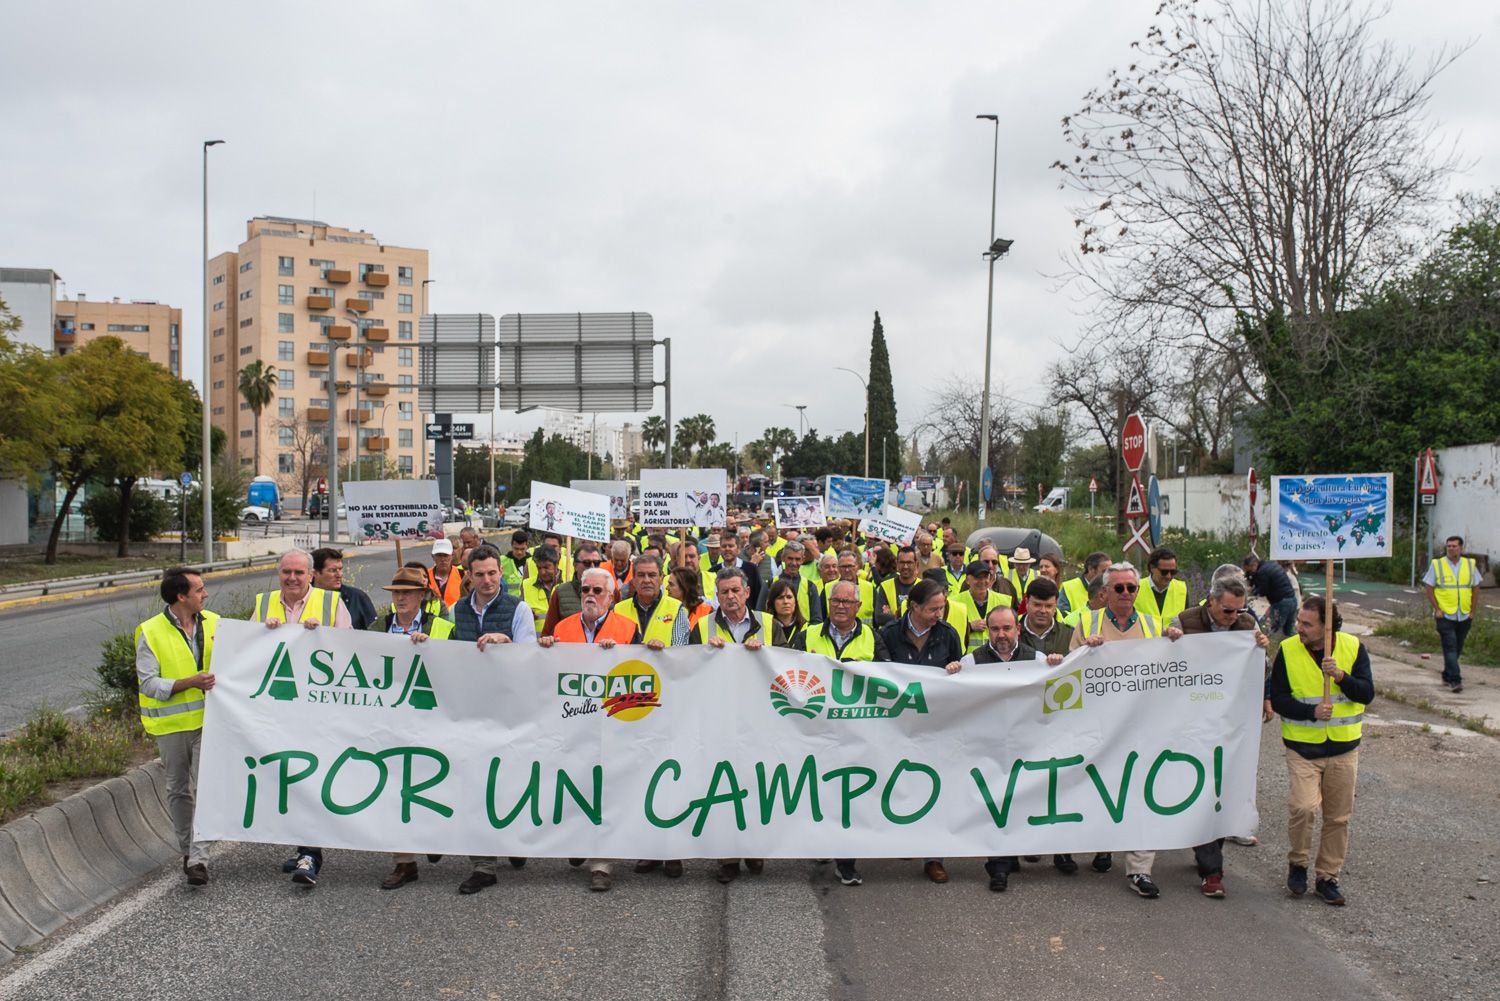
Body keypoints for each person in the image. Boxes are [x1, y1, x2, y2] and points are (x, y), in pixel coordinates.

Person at [1071, 561, 1183, 894]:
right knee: (1103, 790)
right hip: (1099, 727)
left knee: (1141, 793)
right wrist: (1084, 652)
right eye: (1118, 588)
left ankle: (1139, 869)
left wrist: (1175, 641)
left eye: (1131, 588)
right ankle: (1104, 842)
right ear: (1104, 591)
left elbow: (1170, 669)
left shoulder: (1152, 625)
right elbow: (1069, 672)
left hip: (1140, 727)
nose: (1125, 594)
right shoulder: (1087, 622)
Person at [251, 550, 351, 887]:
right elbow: (246, 652)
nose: (291, 578)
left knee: (311, 776)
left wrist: (324, 636)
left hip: (317, 713)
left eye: (298, 572)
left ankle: (312, 854)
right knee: (290, 778)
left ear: (311, 575)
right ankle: (302, 845)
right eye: (285, 572)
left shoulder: (330, 604)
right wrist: (262, 633)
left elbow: (351, 653)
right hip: (279, 713)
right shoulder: (264, 604)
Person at [1168, 572, 1270, 898]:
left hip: (1228, 725)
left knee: (1222, 790)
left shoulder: (1245, 627)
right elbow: (1162, 665)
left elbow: (1257, 670)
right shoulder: (1184, 621)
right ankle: (1210, 865)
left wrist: (1261, 652)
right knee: (1198, 789)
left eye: (1239, 611)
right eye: (1228, 610)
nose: (1233, 617)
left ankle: (1209, 860)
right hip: (1190, 723)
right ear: (1211, 601)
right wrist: (1168, 640)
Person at [1268, 596, 1374, 906]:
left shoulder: (1353, 648)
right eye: (1299, 621)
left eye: (1306, 624)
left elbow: (1367, 693)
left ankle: (1328, 876)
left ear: (1327, 628)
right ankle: (1298, 863)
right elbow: (1280, 698)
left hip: (1343, 749)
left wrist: (1341, 676)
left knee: (1338, 818)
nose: (1298, 627)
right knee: (1303, 808)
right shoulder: (1288, 650)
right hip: (1302, 748)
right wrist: (1312, 711)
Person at [539, 567, 640, 891]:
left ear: (612, 597)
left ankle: (602, 864)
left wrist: (627, 654)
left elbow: (640, 673)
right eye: (586, 590)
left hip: (613, 725)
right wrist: (544, 648)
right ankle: (579, 843)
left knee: (606, 791)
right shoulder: (563, 627)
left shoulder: (627, 628)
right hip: (572, 723)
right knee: (575, 787)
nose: (591, 596)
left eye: (598, 591)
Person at [951, 605, 1065, 891]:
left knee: (1023, 800)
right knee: (997, 804)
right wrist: (952, 673)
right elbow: (954, 698)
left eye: (1007, 628)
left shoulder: (1037, 659)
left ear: (1017, 629)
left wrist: (1057, 665)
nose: (1001, 635)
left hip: (1026, 745)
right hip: (989, 747)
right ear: (987, 630)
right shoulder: (972, 661)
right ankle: (998, 867)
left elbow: (1054, 696)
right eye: (995, 629)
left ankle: (1017, 851)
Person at [689, 567, 786, 884]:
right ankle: (728, 857)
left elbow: (789, 664)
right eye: (724, 592)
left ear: (747, 592)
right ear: (716, 596)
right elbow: (687, 670)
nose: (730, 596)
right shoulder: (703, 627)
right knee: (722, 787)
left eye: (735, 590)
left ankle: (755, 848)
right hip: (718, 719)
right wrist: (706, 654)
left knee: (757, 785)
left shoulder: (768, 624)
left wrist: (766, 655)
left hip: (760, 719)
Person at [450, 545, 535, 895]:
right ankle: (483, 865)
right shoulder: (456, 610)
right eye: (479, 574)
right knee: (475, 784)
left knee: (509, 782)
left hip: (509, 709)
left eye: (492, 573)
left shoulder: (519, 609)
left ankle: (512, 839)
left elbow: (533, 658)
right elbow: (449, 652)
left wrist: (507, 641)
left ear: (501, 572)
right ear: (469, 575)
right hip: (471, 710)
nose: (486, 580)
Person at [798, 579, 892, 889]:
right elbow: (785, 672)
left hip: (856, 732)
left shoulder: (872, 638)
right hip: (816, 730)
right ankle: (822, 843)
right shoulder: (807, 635)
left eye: (846, 602)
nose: (840, 606)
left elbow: (888, 677)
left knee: (850, 796)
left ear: (857, 606)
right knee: (820, 792)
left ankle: (846, 862)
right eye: (835, 600)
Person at [874, 577, 966, 886]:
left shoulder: (949, 636)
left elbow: (962, 678)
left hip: (936, 726)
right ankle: (904, 840)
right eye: (932, 609)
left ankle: (934, 857)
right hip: (898, 726)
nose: (939, 614)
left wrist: (956, 671)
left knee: (935, 788)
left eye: (942, 608)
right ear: (914, 607)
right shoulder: (888, 635)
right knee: (901, 784)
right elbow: (881, 677)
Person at [372, 566, 456, 890]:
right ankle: (404, 862)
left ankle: (435, 836)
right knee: (396, 790)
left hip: (433, 720)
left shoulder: (443, 629)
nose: (401, 597)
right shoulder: (376, 628)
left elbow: (459, 670)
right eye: (396, 592)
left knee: (436, 783)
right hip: (391, 722)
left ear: (422, 596)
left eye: (407, 592)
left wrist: (430, 650)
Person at [135, 568, 218, 886]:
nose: (205, 594)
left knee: (206, 788)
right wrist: (190, 683)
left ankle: (198, 858)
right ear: (181, 596)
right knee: (179, 791)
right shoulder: (150, 631)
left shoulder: (215, 623)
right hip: (171, 726)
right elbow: (148, 684)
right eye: (199, 589)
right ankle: (187, 850)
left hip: (211, 723)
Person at [1423, 535, 1482, 693]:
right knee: (1450, 646)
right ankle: (1455, 680)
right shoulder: (1438, 564)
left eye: (1454, 546)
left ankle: (1447, 674)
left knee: (1458, 647)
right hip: (1445, 615)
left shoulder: (1469, 564)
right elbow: (1429, 587)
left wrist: (1472, 611)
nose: (1451, 548)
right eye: (1449, 546)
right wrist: (1437, 609)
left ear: (1461, 548)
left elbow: (1476, 587)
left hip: (1463, 614)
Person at [613, 554, 689, 649]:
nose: (646, 580)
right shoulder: (618, 609)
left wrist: (663, 650)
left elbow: (679, 650)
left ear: (661, 578)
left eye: (652, 575)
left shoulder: (677, 609)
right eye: (641, 575)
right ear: (633, 579)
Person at [543, 543, 607, 635]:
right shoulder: (560, 593)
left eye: (596, 563)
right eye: (587, 563)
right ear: (575, 565)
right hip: (569, 648)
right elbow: (548, 632)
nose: (592, 567)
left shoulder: (610, 591)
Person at [311, 547, 377, 630]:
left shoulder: (357, 598)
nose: (339, 575)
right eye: (333, 570)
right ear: (315, 573)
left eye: (340, 569)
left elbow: (375, 631)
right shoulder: (303, 598)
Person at [955, 561, 1013, 653]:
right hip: (967, 661)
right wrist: (969, 627)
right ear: (967, 580)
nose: (982, 581)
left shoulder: (1004, 601)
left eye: (985, 577)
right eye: (977, 578)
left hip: (997, 660)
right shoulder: (955, 602)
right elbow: (949, 633)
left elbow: (1012, 631)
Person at [1243, 553, 1298, 640]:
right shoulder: (1271, 564)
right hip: (1292, 600)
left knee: (1274, 630)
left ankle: (1273, 650)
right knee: (1289, 631)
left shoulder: (1262, 572)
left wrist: (1253, 588)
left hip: (1281, 602)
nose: (1250, 572)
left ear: (1253, 565)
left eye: (1249, 570)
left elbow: (1262, 591)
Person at [1019, 577, 1074, 658]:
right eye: (1037, 605)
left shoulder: (1070, 635)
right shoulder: (1010, 634)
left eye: (1048, 606)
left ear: (1055, 606)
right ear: (1027, 602)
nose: (1043, 611)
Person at [1136, 547, 1189, 626]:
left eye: (1173, 572)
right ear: (1152, 568)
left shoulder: (1182, 589)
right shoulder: (1134, 588)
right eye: (1164, 572)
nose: (1168, 576)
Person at [873, 545, 923, 628]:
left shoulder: (922, 586)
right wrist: (911, 617)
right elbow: (879, 618)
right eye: (902, 562)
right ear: (897, 564)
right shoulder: (885, 586)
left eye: (909, 563)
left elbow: (925, 617)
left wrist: (894, 615)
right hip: (890, 636)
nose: (905, 566)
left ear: (916, 564)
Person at [1059, 551, 1111, 624]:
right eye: (1104, 571)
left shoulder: (1113, 587)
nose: (1108, 575)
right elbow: (1062, 614)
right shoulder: (1068, 586)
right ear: (1090, 569)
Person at [520, 545, 560, 633]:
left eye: (546, 567)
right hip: (536, 643)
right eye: (539, 568)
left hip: (562, 641)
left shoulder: (567, 583)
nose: (542, 572)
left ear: (556, 565)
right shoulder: (526, 585)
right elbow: (518, 615)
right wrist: (526, 615)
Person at [766, 577, 809, 647]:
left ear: (795, 602)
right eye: (780, 598)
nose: (785, 602)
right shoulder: (765, 627)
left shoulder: (807, 628)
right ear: (772, 602)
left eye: (789, 597)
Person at [669, 566, 714, 630]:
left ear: (684, 587)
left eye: (671, 584)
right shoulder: (667, 609)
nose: (667, 588)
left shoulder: (706, 611)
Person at [427, 538, 465, 610]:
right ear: (433, 557)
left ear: (452, 556)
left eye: (445, 555)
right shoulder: (424, 576)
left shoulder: (462, 575)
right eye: (439, 555)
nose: (442, 559)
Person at [500, 530, 531, 597]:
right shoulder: (502, 561)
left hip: (528, 600)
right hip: (508, 601)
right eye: (516, 549)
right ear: (511, 545)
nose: (519, 552)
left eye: (522, 549)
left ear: (527, 545)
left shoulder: (533, 562)